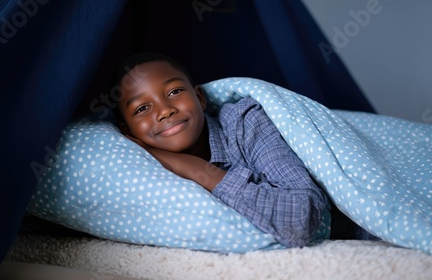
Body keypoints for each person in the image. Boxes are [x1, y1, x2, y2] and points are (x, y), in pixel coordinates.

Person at [109, 52, 379, 247]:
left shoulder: (246, 122)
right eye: (142, 108)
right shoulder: (142, 173)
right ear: (129, 132)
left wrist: (192, 168)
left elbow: (302, 219)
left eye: (174, 92)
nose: (165, 110)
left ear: (200, 98)